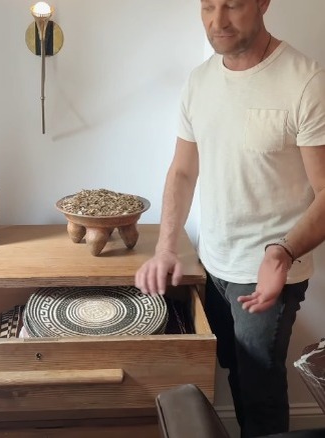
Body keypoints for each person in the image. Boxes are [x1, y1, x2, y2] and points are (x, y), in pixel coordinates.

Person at [134, 1, 325, 436]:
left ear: (262, 3)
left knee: (260, 394)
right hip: (212, 263)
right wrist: (166, 248)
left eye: (233, 5)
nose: (217, 22)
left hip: (268, 273)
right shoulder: (200, 81)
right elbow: (182, 172)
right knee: (234, 374)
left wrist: (281, 253)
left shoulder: (305, 81)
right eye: (207, 7)